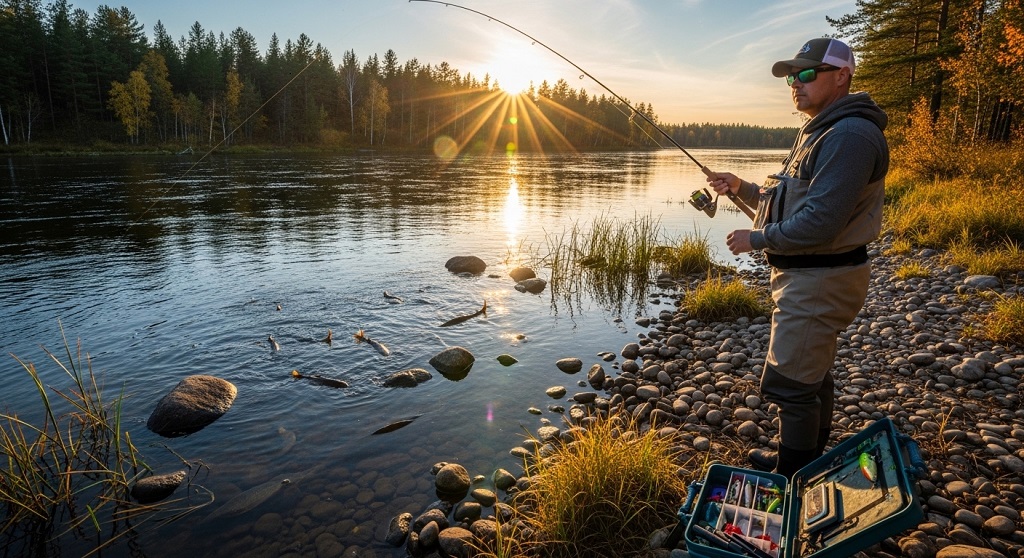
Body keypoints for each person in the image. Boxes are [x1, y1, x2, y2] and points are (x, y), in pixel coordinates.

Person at [706, 37, 889, 478]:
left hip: (820, 279)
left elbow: (821, 222)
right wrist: (744, 189)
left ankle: (793, 475)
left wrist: (758, 238)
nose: (795, 83)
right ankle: (810, 461)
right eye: (792, 75)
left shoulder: (848, 134)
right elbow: (796, 201)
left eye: (807, 73)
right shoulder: (824, 129)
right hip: (811, 275)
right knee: (813, 375)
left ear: (842, 76)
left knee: (790, 384)